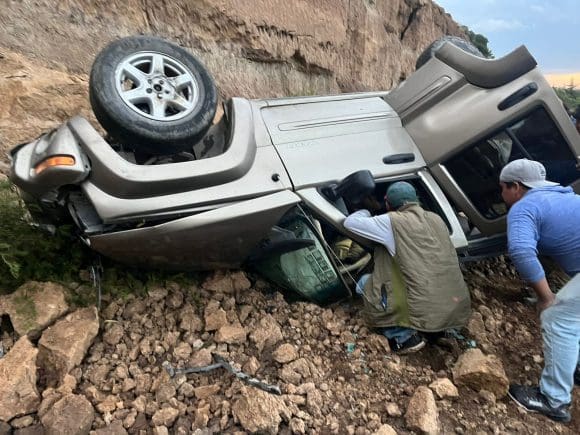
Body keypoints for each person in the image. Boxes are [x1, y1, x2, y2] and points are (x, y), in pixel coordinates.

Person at [343, 181, 471, 353]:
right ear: (416, 199)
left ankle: (403, 337)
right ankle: (438, 331)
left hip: (422, 305)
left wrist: (368, 209)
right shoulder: (436, 219)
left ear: (387, 202)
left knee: (364, 284)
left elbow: (350, 223)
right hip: (453, 306)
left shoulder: (390, 222)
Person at [499, 159, 580, 423]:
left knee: (557, 317)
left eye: (503, 189)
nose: (502, 195)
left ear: (516, 187)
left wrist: (546, 298)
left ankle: (553, 399)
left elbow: (521, 251)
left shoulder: (524, 207)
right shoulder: (567, 198)